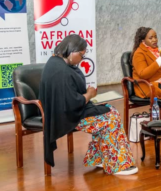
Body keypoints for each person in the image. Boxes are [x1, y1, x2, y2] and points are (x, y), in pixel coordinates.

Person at [39, 34, 138, 175]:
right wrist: (89, 95)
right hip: (65, 117)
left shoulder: (55, 62)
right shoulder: (62, 72)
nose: (82, 59)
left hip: (61, 111)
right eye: (81, 55)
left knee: (110, 109)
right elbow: (73, 104)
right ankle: (117, 165)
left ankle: (99, 158)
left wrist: (85, 94)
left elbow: (68, 96)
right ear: (72, 51)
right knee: (110, 118)